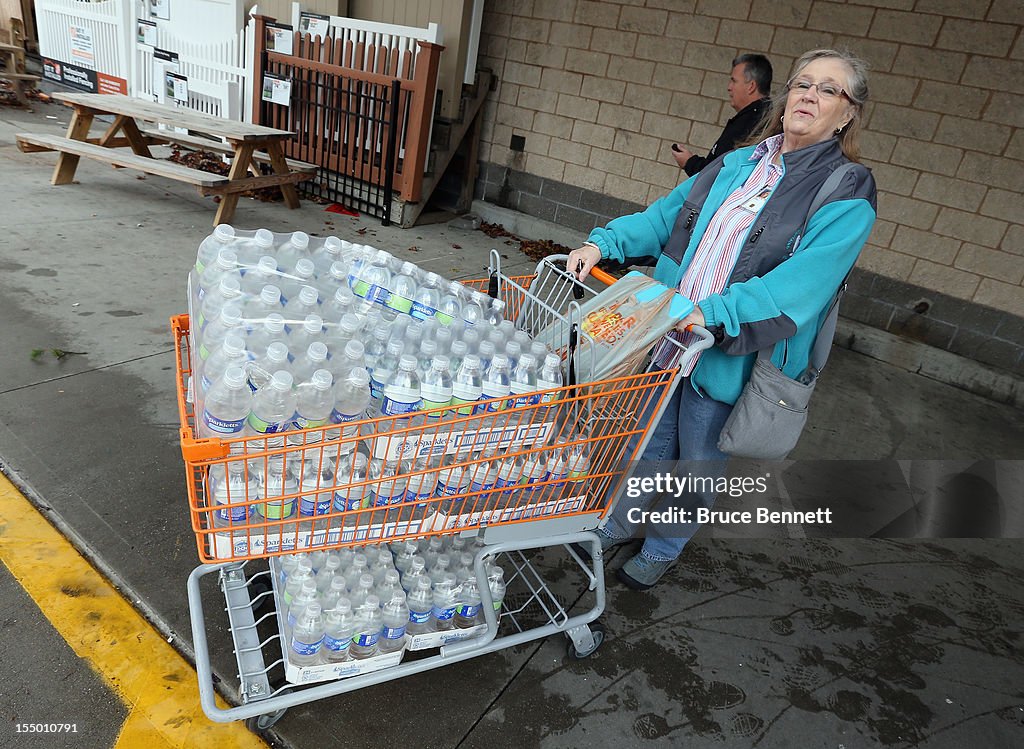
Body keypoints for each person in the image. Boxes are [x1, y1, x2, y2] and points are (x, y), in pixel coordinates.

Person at [567, 49, 878, 590]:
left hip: (730, 350)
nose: (810, 95)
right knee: (649, 442)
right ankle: (622, 520)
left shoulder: (846, 190)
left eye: (830, 90)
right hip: (671, 337)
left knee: (699, 461)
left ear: (848, 114)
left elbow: (799, 286)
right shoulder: (737, 163)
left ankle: (663, 546)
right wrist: (606, 241)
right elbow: (667, 217)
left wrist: (707, 313)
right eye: (803, 83)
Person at [671, 53, 773, 176]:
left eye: (734, 81)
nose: (729, 87)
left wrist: (689, 163)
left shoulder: (753, 122)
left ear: (751, 86)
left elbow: (718, 175)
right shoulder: (762, 116)